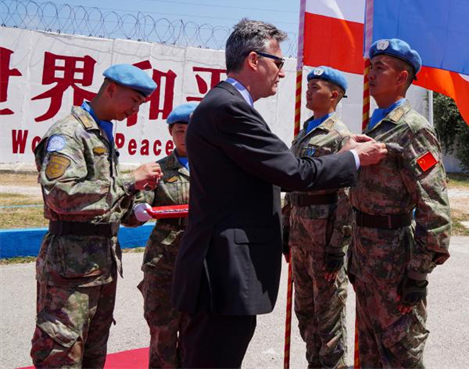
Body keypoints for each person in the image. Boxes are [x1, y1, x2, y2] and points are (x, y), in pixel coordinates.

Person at [171, 19, 387, 369]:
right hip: (223, 271)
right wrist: (353, 159)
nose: (283, 74)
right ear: (254, 60)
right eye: (279, 63)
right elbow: (293, 172)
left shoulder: (225, 105)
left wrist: (342, 151)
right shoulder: (230, 108)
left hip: (222, 268)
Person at [30, 64, 163, 368]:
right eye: (133, 100)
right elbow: (61, 195)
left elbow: (105, 201)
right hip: (69, 269)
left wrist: (137, 206)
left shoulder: (101, 134)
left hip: (100, 266)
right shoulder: (69, 133)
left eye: (140, 104)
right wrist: (129, 181)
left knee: (92, 354)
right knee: (61, 354)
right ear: (111, 89)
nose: (135, 110)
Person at [348, 38, 451, 368]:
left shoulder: (413, 129)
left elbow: (434, 206)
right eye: (371, 66)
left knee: (400, 352)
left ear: (402, 77)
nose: (370, 73)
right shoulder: (374, 126)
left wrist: (418, 273)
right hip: (366, 256)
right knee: (370, 352)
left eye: (380, 67)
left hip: (395, 260)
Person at [283, 66, 353, 369]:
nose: (309, 90)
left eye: (316, 87)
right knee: (306, 316)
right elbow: (291, 185)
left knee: (329, 323)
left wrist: (337, 247)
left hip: (324, 243)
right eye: (308, 85)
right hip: (300, 240)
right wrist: (285, 229)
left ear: (334, 95)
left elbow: (347, 196)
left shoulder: (339, 136)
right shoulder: (303, 134)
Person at [129, 102, 198, 368]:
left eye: (191, 130)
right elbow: (135, 211)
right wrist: (138, 209)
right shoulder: (157, 170)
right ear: (171, 133)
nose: (185, 136)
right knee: (163, 332)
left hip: (200, 260)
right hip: (164, 261)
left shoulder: (214, 169)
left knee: (196, 333)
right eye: (180, 130)